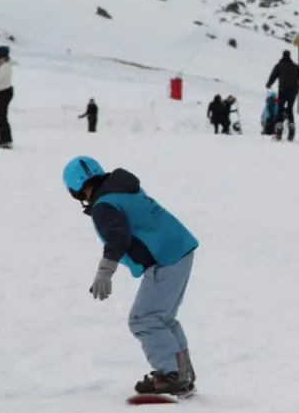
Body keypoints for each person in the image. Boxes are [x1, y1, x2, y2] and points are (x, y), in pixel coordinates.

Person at [61, 156, 199, 396]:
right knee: (161, 318)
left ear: (75, 189)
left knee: (144, 319)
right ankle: (181, 372)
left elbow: (118, 237)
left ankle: (172, 374)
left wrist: (105, 272)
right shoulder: (121, 188)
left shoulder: (104, 205)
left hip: (166, 258)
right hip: (178, 250)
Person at [266, 51, 299, 141]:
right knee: (290, 109)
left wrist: (269, 84)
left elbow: (273, 76)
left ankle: (279, 131)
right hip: (293, 91)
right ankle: (291, 132)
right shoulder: (295, 66)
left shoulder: (279, 66)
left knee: (280, 109)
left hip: (283, 90)